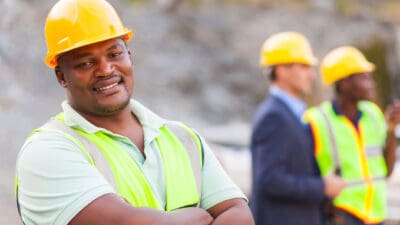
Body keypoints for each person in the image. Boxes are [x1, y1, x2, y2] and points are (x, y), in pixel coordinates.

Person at [15, 0, 255, 225]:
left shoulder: (184, 139)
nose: (105, 69)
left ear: (129, 57)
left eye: (114, 54)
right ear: (61, 77)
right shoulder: (47, 151)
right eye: (86, 63)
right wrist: (201, 217)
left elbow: (240, 216)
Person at [250, 31, 345, 225]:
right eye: (304, 67)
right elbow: (269, 180)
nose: (312, 75)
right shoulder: (273, 116)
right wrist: (322, 187)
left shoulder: (292, 114)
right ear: (282, 70)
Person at [305, 46, 400, 225]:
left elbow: (386, 171)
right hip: (340, 217)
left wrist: (391, 130)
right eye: (364, 78)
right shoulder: (316, 120)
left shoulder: (373, 114)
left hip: (375, 215)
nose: (372, 84)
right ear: (345, 82)